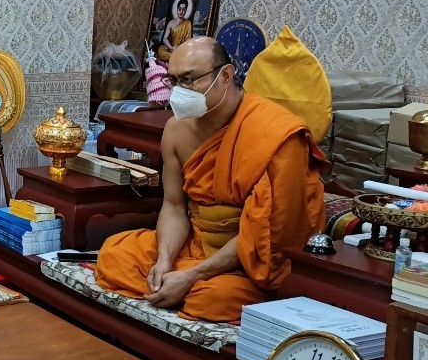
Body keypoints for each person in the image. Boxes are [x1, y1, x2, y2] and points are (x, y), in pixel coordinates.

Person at [95, 37, 326, 322]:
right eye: (173, 81)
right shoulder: (176, 130)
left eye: (189, 80)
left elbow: (267, 236)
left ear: (225, 76)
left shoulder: (278, 136)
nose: (179, 91)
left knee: (211, 299)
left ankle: (185, 288)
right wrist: (165, 261)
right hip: (195, 244)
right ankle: (174, 285)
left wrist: (193, 276)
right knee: (114, 254)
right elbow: (174, 206)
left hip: (249, 261)